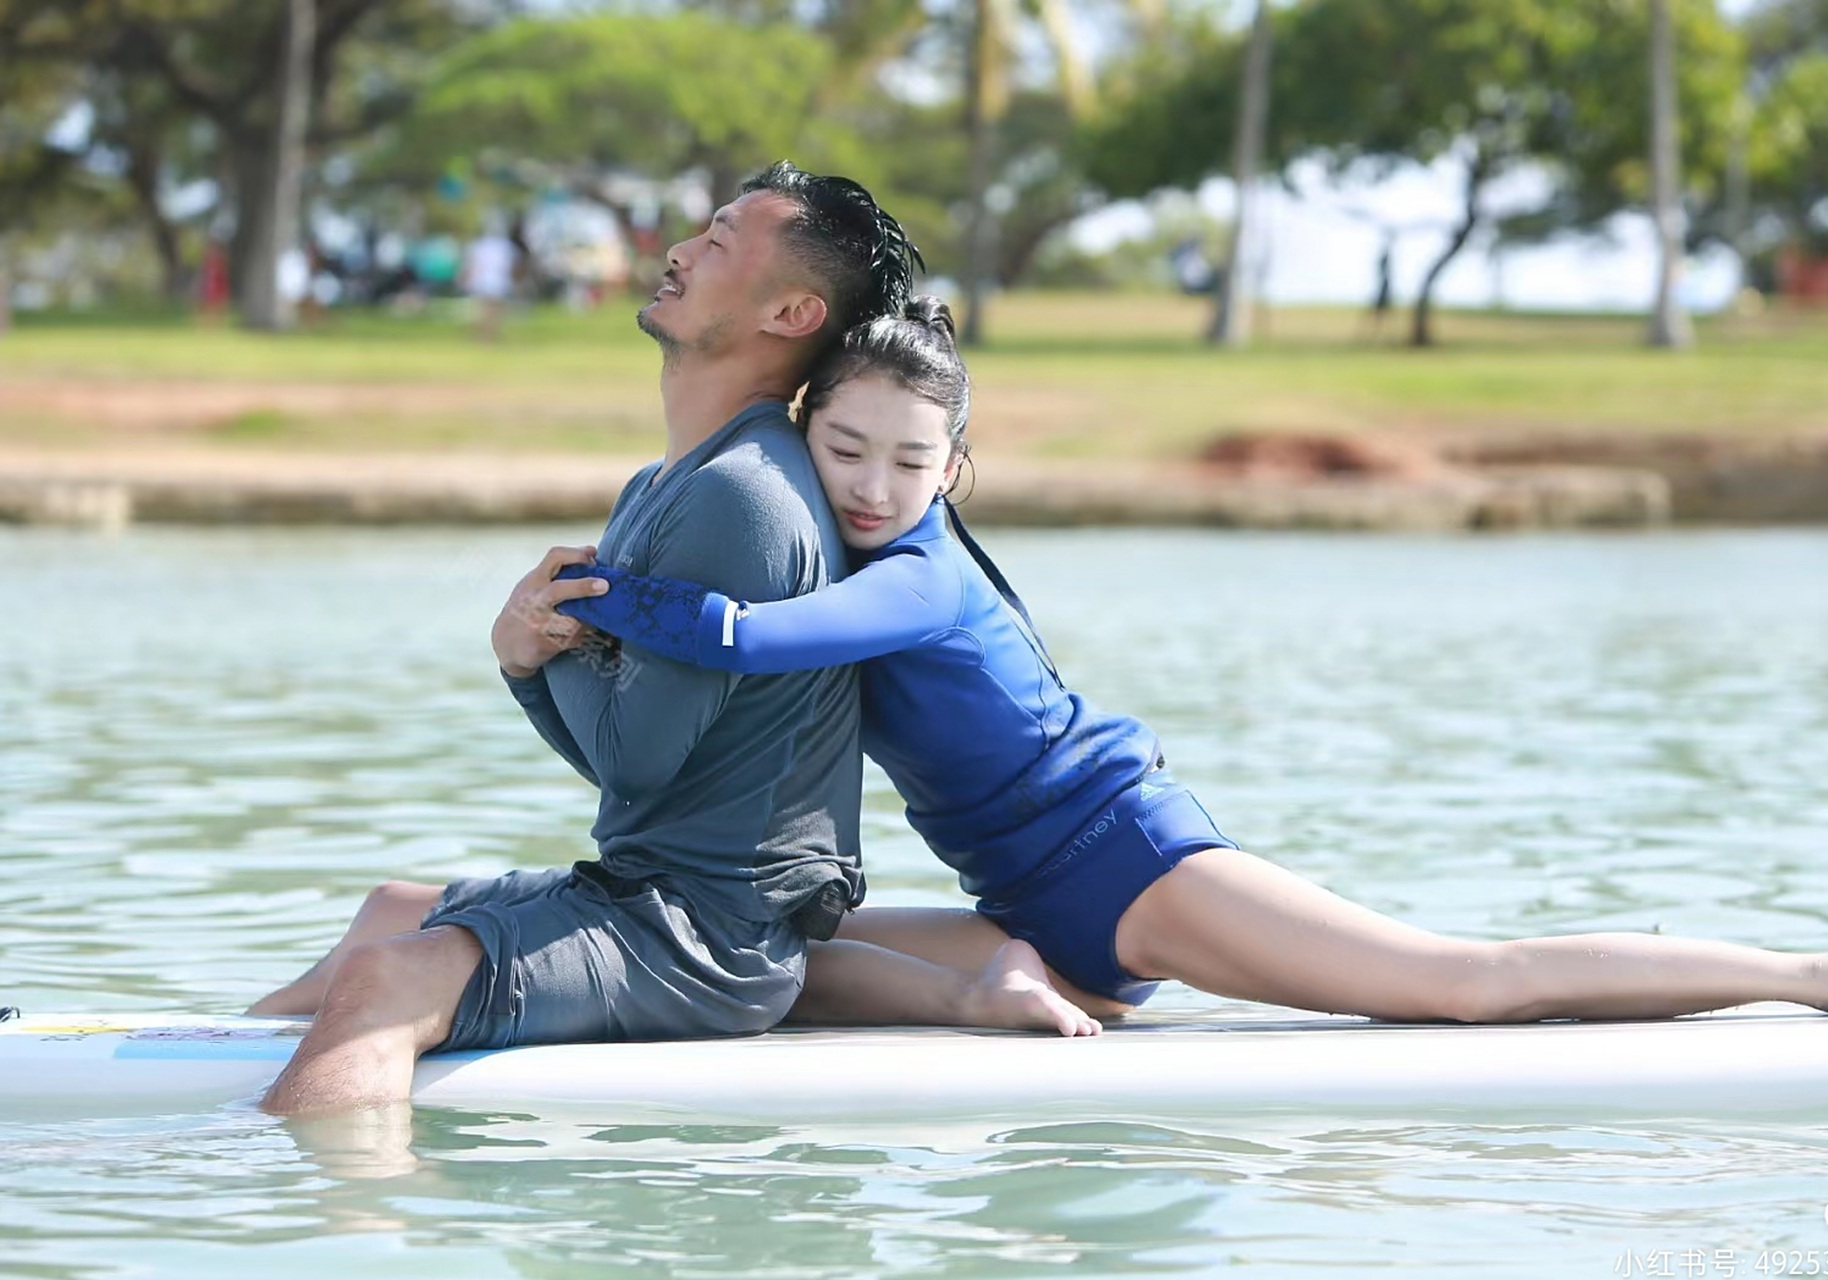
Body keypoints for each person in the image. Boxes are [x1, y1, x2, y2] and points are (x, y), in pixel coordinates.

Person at [548, 296, 1828, 1032]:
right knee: (759, 953)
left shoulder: (920, 574)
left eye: (909, 460)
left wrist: (599, 588)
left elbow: (744, 637)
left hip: (1124, 854)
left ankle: (1796, 975)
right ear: (804, 434)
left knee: (1458, 984)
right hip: (1024, 896)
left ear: (953, 468)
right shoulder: (838, 542)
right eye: (845, 450)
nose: (875, 485)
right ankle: (1014, 985)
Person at [250, 163, 1079, 1118]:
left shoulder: (743, 500)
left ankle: (286, 1205)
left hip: (698, 941)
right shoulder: (664, 483)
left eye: (721, 241)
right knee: (388, 915)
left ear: (792, 313)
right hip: (651, 891)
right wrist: (533, 664)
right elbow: (639, 770)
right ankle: (215, 1063)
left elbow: (633, 764)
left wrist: (541, 653)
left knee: (384, 982)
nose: (679, 251)